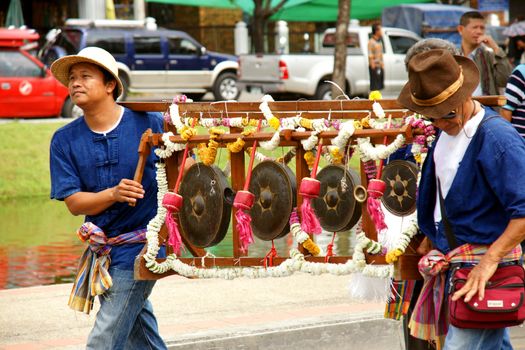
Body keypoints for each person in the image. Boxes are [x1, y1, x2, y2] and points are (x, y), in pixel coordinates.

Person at [397, 49, 525, 349]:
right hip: (459, 265)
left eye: (449, 113)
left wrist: (488, 262)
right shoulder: (445, 131)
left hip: (484, 269)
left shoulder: (497, 139)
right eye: (432, 117)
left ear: (465, 95)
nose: (441, 122)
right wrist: (433, 234)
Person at [49, 47, 167, 349]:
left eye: (86, 76)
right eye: (72, 78)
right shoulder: (64, 140)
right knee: (139, 337)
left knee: (104, 339)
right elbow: (74, 203)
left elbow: (188, 173)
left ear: (110, 84)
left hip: (145, 245)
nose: (76, 83)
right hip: (104, 251)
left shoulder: (150, 123)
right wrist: (113, 194)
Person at [458, 11, 513, 96]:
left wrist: (495, 48)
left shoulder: (490, 55)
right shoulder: (454, 56)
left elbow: (506, 81)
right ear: (461, 29)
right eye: (475, 27)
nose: (479, 31)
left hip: (487, 107)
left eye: (482, 28)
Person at [368, 23, 384, 92]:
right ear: (376, 31)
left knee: (379, 85)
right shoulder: (371, 42)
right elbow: (370, 54)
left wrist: (382, 64)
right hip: (374, 66)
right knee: (374, 85)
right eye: (380, 30)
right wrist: (372, 64)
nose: (381, 32)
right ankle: (374, 99)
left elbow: (380, 54)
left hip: (380, 65)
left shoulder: (379, 41)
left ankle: (378, 98)